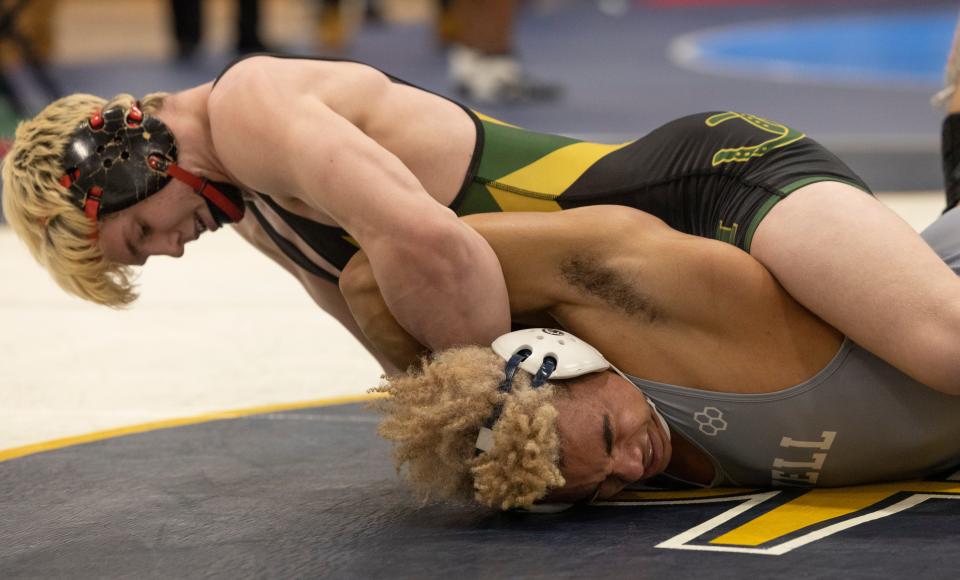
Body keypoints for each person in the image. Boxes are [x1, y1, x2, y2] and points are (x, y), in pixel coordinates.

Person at [3, 53, 960, 389]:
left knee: (942, 346)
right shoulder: (254, 212)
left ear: (133, 164)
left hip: (717, 186)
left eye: (141, 238)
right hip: (655, 277)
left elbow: (431, 247)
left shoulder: (253, 107)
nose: (170, 249)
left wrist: (508, 417)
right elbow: (398, 351)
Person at [355, 199, 960, 510]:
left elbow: (368, 277)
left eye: (610, 434)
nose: (629, 469)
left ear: (561, 357)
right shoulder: (588, 459)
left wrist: (455, 366)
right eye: (596, 491)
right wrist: (462, 423)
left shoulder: (672, 307)